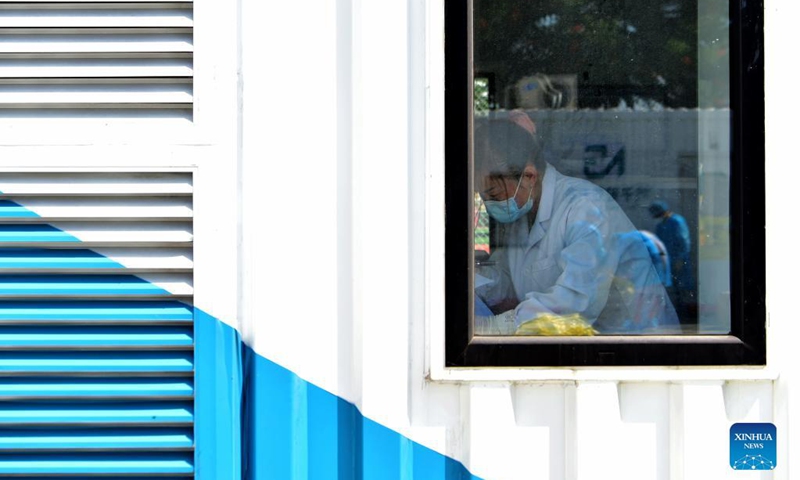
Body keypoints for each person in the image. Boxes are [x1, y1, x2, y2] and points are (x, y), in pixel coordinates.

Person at [474, 115, 678, 334]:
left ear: (529, 176)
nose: (489, 205)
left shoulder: (585, 208)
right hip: (584, 349)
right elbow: (507, 281)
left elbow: (575, 303)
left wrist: (495, 327)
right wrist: (471, 280)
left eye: (493, 194)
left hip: (639, 347)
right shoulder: (522, 215)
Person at [649, 200, 696, 322]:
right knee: (671, 290)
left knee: (682, 290)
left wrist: (680, 260)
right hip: (667, 262)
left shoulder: (677, 221)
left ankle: (685, 317)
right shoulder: (660, 225)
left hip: (679, 261)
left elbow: (684, 242)